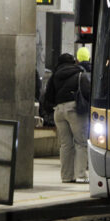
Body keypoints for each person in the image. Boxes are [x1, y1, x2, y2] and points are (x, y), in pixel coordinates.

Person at [42, 53, 89, 184]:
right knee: (81, 142)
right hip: (74, 110)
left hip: (58, 111)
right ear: (73, 62)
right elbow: (87, 92)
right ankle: (80, 175)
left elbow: (47, 96)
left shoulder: (54, 76)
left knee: (65, 145)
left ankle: (66, 176)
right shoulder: (80, 74)